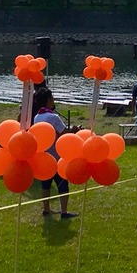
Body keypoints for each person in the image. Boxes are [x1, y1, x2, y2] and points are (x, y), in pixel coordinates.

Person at [32, 87, 78, 219]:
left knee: (45, 185)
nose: (53, 101)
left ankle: (46, 209)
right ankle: (64, 211)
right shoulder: (53, 117)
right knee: (63, 184)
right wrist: (74, 130)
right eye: (52, 98)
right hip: (57, 156)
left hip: (44, 156)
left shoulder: (37, 117)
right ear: (48, 100)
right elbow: (64, 133)